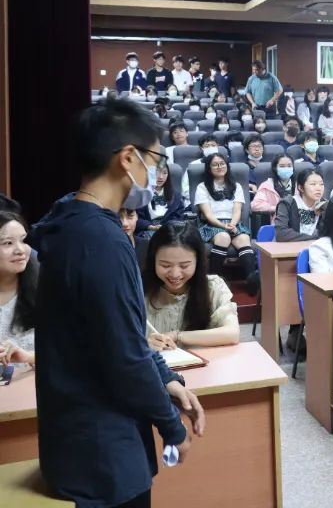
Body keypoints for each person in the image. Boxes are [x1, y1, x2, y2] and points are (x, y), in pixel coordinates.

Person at [30, 98, 204, 507]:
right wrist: (171, 426)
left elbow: (121, 333)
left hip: (74, 441)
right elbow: (125, 357)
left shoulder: (67, 219)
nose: (159, 169)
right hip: (101, 453)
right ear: (128, 157)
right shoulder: (102, 241)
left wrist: (166, 378)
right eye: (155, 157)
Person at [143, 222, 240, 350]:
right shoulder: (139, 290)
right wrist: (144, 345)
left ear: (198, 262)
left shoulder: (213, 287)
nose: (175, 274)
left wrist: (178, 336)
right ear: (153, 260)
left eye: (184, 266)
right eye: (165, 265)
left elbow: (232, 334)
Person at [194, 153, 257, 288]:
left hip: (232, 222)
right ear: (209, 168)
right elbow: (208, 214)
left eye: (222, 163)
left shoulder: (237, 186)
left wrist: (233, 224)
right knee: (223, 237)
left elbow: (237, 210)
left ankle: (252, 282)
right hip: (211, 224)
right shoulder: (202, 187)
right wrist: (223, 226)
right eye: (215, 164)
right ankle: (213, 282)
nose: (219, 167)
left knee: (244, 239)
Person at [0, 211, 37, 368]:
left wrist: (27, 357)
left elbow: (69, 351)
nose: (20, 250)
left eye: (23, 240)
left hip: (33, 388)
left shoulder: (46, 292)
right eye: (8, 243)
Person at [274, 167, 326, 242]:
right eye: (313, 184)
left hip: (317, 249)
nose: (318, 188)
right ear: (301, 188)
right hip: (290, 248)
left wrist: (327, 209)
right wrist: (315, 239)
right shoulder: (287, 203)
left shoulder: (325, 205)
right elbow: (281, 234)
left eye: (321, 184)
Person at [135, 162, 185, 239]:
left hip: (169, 230)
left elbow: (179, 217)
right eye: (156, 172)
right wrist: (150, 226)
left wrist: (167, 226)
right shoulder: (141, 194)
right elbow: (136, 218)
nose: (161, 177)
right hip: (147, 230)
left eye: (165, 173)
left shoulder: (175, 195)